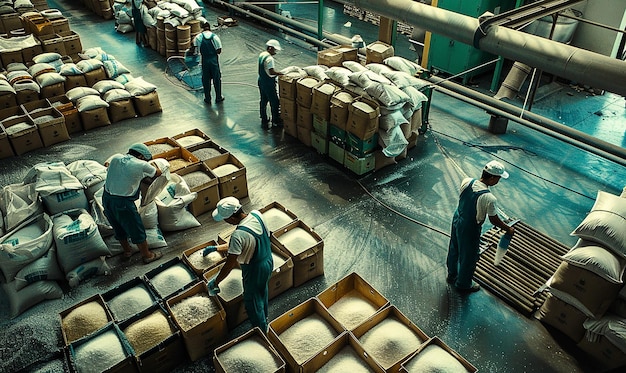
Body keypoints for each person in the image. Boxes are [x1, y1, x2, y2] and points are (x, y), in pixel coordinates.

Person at [205, 197, 273, 332]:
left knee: (252, 301)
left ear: (231, 218)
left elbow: (230, 263)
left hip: (254, 269)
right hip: (268, 260)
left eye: (225, 219)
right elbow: (243, 244)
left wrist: (216, 281)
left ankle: (261, 331)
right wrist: (216, 248)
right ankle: (265, 318)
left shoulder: (238, 234)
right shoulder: (256, 215)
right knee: (261, 291)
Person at [446, 160, 515, 293]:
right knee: (469, 256)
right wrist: (508, 229)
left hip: (457, 218)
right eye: (498, 178)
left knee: (454, 247)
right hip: (470, 227)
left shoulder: (467, 181)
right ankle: (463, 284)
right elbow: (494, 220)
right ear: (492, 178)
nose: (498, 181)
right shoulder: (489, 198)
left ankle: (452, 275)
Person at [103, 143, 163, 264]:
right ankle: (147, 255)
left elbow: (112, 169)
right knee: (136, 228)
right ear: (141, 156)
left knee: (117, 226)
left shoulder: (116, 158)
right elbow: (158, 172)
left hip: (107, 198)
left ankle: (127, 251)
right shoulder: (141, 164)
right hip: (123, 203)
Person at [191, 22, 224, 104]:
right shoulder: (215, 37)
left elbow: (195, 48)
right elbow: (219, 50)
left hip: (205, 60)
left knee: (206, 79)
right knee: (217, 79)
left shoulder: (198, 37)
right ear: (209, 28)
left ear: (202, 28)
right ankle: (218, 97)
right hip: (213, 61)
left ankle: (207, 98)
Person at [258, 39, 284, 129]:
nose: (275, 52)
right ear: (270, 48)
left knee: (263, 100)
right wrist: (280, 73)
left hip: (261, 80)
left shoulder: (262, 54)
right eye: (274, 50)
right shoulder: (270, 59)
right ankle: (275, 121)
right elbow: (271, 72)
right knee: (275, 102)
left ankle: (264, 118)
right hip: (268, 82)